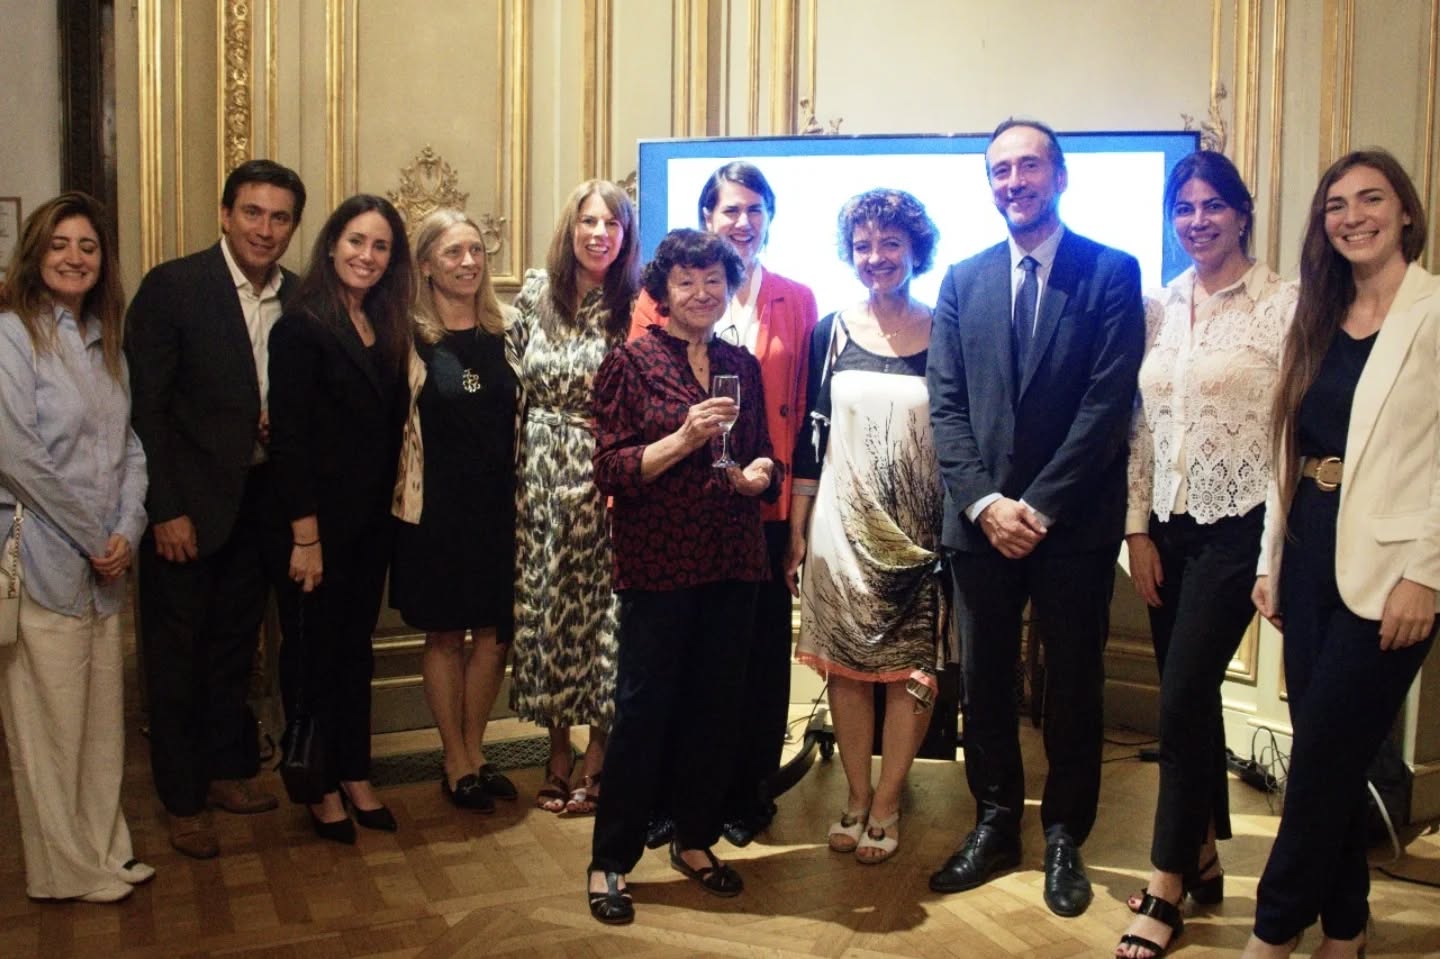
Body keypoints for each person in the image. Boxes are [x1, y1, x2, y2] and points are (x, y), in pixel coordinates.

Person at [925, 117, 1145, 918]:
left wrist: (1039, 506)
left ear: (1059, 175)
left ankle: (1063, 833)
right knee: (982, 682)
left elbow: (1105, 403)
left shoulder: (1112, 273)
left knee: (1075, 685)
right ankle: (994, 820)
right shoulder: (962, 278)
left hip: (1072, 525)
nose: (1011, 182)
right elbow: (945, 405)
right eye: (998, 171)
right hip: (978, 527)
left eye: (1026, 167)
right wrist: (986, 502)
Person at [1242, 151, 1439, 959]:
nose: (1352, 215)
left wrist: (1428, 571)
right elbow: (1283, 445)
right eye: (1335, 205)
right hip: (1309, 549)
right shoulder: (1316, 314)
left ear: (1403, 211)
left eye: (1370, 199)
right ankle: (1347, 927)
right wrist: (1270, 559)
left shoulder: (1432, 311)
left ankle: (1271, 931)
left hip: (1394, 570)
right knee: (1334, 753)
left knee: (1320, 762)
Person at [1117, 151, 1297, 959]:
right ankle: (1205, 852)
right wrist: (1137, 530)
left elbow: (1296, 435)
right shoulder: (1161, 307)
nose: (1198, 219)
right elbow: (1141, 428)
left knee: (1182, 695)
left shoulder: (1284, 305)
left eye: (1213, 204)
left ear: (1242, 212)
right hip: (1168, 528)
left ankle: (1164, 886)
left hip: (1241, 524)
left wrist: (1272, 552)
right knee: (1187, 697)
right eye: (1184, 207)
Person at [586, 228, 779, 924]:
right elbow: (610, 468)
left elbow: (759, 455)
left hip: (732, 556)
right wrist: (683, 439)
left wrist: (760, 474)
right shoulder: (630, 363)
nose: (702, 293)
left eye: (713, 281)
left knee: (714, 705)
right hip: (659, 563)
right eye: (687, 282)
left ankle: (693, 839)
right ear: (662, 293)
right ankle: (611, 858)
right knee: (643, 711)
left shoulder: (741, 363)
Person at [629, 160, 817, 846]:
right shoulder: (658, 298)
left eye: (754, 209)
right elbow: (639, 407)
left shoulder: (796, 298)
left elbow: (803, 415)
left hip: (760, 512)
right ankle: (668, 801)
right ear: (706, 219)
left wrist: (794, 518)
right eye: (728, 210)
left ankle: (746, 795)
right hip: (679, 513)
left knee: (756, 664)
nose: (741, 221)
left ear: (769, 218)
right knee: (676, 663)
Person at [125, 158, 305, 859]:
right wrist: (164, 507)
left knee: (237, 647)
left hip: (261, 503)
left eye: (280, 216)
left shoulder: (298, 293)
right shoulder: (173, 288)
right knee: (176, 655)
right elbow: (147, 409)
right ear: (226, 215)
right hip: (188, 508)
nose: (265, 228)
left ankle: (230, 769)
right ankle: (182, 796)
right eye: (253, 213)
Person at [0, 192, 153, 902]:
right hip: (46, 563)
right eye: (60, 244)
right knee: (50, 731)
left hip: (106, 566)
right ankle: (63, 868)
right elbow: (18, 456)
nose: (74, 257)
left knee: (101, 726)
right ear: (36, 253)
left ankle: (103, 851)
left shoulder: (102, 341)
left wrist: (129, 528)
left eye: (87, 246)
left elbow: (129, 447)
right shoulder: (12, 334)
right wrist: (97, 536)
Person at [787, 188, 943, 865]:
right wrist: (796, 529)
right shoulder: (831, 331)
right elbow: (807, 440)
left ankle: (888, 800)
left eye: (890, 244)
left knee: (911, 670)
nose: (876, 257)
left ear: (915, 250)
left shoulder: (947, 328)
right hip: (839, 531)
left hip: (919, 536)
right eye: (864, 246)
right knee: (848, 671)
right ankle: (855, 794)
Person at [267, 194, 412, 843]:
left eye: (380, 246)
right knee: (312, 656)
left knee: (356, 654)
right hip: (312, 531)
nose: (367, 255)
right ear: (331, 245)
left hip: (367, 528)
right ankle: (318, 783)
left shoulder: (383, 321)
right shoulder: (300, 326)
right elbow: (289, 440)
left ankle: (355, 771)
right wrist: (306, 536)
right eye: (357, 241)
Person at [511, 179, 640, 815]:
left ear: (626, 235)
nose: (599, 234)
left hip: (604, 476)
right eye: (588, 221)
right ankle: (554, 751)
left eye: (612, 224)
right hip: (538, 475)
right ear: (570, 228)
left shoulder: (637, 303)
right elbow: (512, 381)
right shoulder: (537, 293)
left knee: (603, 616)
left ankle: (599, 757)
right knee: (547, 608)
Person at [391, 209, 521, 812]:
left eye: (475, 251)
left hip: (500, 509)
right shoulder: (407, 336)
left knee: (493, 635)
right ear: (424, 264)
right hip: (433, 512)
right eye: (452, 253)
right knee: (446, 634)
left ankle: (477, 750)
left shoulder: (508, 330)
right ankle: (453, 758)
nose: (468, 262)